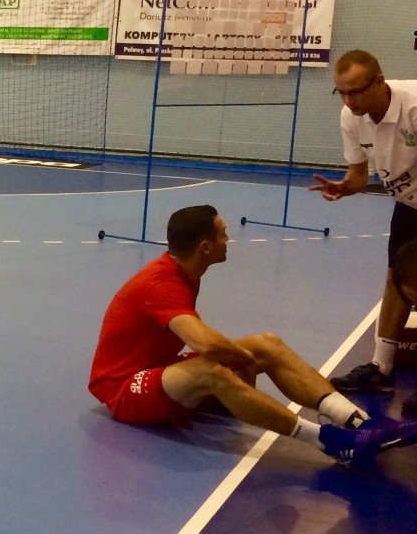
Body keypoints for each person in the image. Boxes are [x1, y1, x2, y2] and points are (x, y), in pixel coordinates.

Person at [90, 205, 417, 463]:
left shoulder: (186, 271)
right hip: (122, 388)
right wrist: (242, 359)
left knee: (267, 344)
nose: (228, 239)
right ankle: (330, 441)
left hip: (157, 371)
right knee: (215, 369)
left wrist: (251, 356)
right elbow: (206, 343)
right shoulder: (161, 283)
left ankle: (360, 422)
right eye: (223, 233)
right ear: (205, 247)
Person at [308, 49, 417, 392]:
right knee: (397, 277)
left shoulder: (413, 107)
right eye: (341, 92)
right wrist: (344, 188)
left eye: (354, 91)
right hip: (409, 203)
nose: (348, 100)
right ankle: (381, 368)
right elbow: (358, 174)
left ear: (379, 82)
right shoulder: (351, 117)